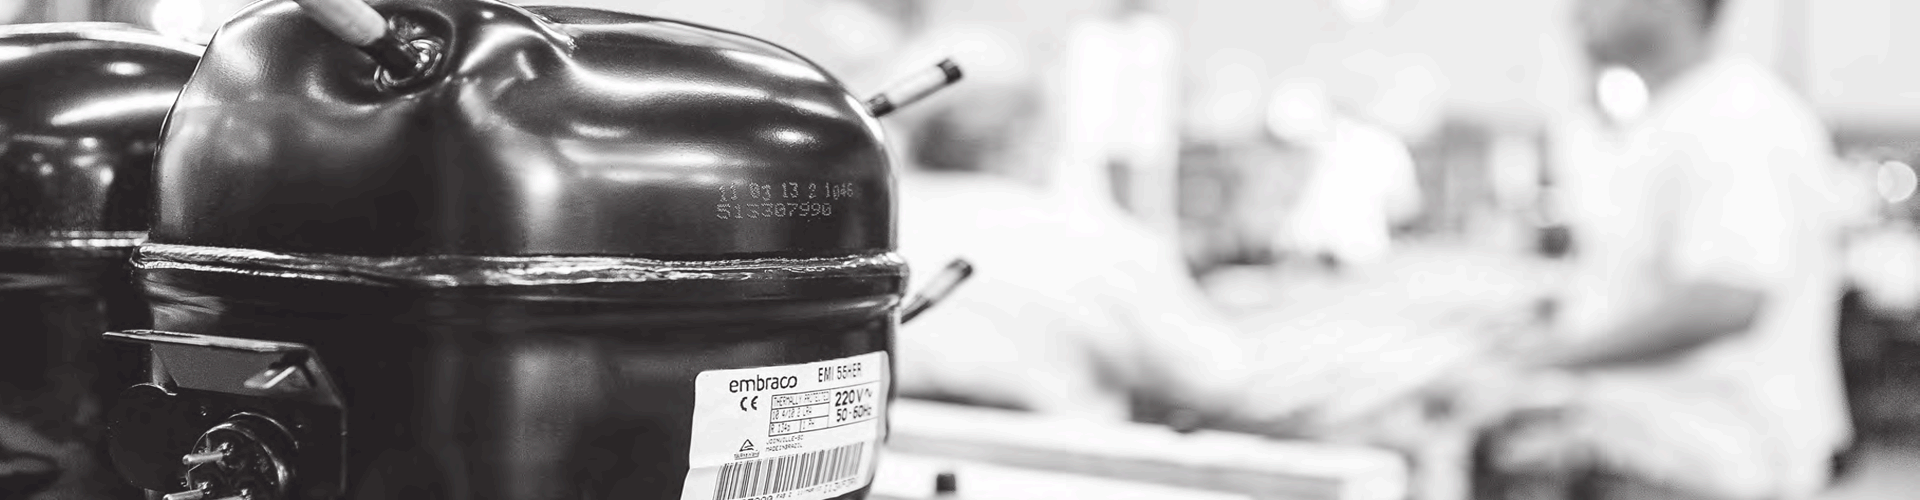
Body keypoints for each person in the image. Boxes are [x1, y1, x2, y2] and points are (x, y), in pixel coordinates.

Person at [1458, 0, 1852, 499]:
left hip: (1711, 464)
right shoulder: (1674, 114)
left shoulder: (1734, 117)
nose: (1579, 12)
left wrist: (1550, 359)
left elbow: (1727, 299)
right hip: (1668, 451)